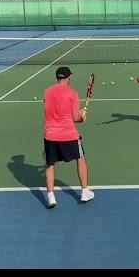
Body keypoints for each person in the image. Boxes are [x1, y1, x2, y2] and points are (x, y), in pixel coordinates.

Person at [42, 66, 94, 209]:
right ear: (69, 77)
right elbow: (75, 117)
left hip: (50, 134)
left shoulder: (47, 92)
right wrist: (82, 117)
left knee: (50, 164)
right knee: (81, 159)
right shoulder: (72, 93)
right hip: (68, 134)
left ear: (57, 77)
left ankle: (51, 197)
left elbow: (49, 113)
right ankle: (84, 191)